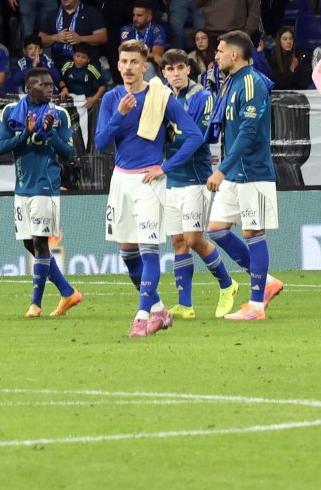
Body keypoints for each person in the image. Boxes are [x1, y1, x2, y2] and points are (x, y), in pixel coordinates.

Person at [94, 40, 207, 338]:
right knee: (127, 253)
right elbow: (100, 144)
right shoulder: (111, 98)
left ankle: (142, 316)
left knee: (148, 252)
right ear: (117, 65)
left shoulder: (160, 96)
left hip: (149, 182)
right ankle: (159, 310)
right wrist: (118, 114)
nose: (129, 68)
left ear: (146, 66)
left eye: (135, 62)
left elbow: (195, 136)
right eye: (124, 62)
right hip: (120, 181)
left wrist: (165, 168)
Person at [156, 51, 240, 319]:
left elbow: (196, 139)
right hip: (171, 182)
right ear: (164, 73)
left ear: (188, 70)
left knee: (194, 239)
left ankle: (228, 285)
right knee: (178, 242)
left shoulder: (203, 98)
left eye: (181, 67)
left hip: (195, 178)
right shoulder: (161, 98)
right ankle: (185, 304)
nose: (176, 73)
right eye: (170, 69)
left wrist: (166, 153)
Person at [207, 32, 284, 323]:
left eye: (220, 50)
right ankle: (268, 282)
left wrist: (221, 169)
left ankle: (256, 305)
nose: (217, 55)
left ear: (235, 55)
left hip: (253, 172)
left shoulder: (251, 82)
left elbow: (248, 133)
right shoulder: (232, 82)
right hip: (236, 173)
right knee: (216, 229)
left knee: (253, 233)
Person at [0, 68, 82, 318]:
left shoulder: (59, 114)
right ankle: (67, 292)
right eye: (43, 85)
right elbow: (2, 147)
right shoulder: (11, 112)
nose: (50, 88)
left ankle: (36, 304)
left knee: (40, 242)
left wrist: (51, 133)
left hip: (46, 185)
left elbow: (69, 154)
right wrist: (27, 134)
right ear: (28, 88)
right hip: (22, 186)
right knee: (27, 241)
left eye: (51, 84)